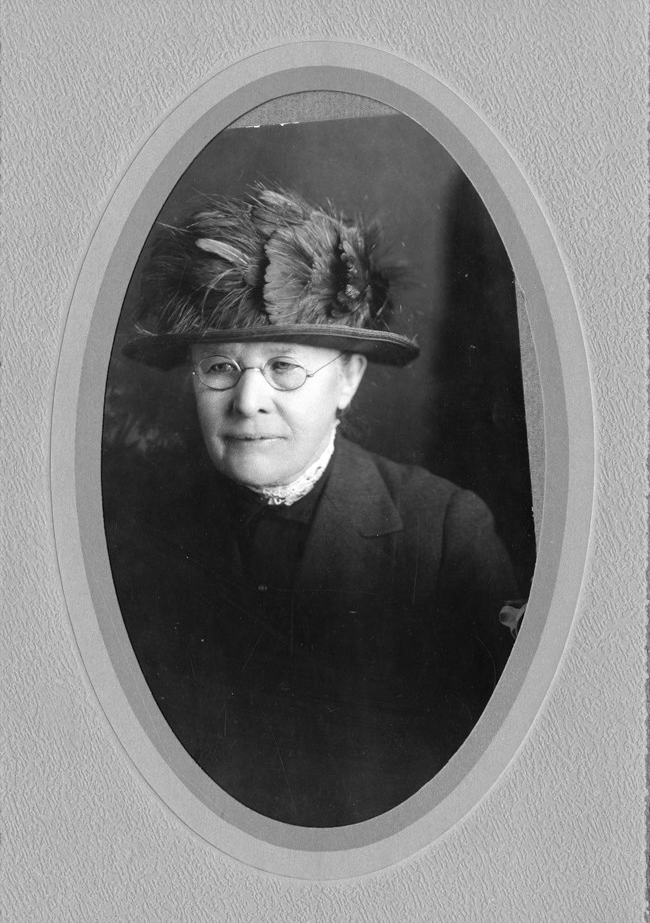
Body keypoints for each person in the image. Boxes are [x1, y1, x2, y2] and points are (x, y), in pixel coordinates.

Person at [104, 186, 523, 827]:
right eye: (219, 367)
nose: (247, 403)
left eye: (283, 368)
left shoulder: (445, 534)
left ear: (348, 379)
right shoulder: (133, 535)